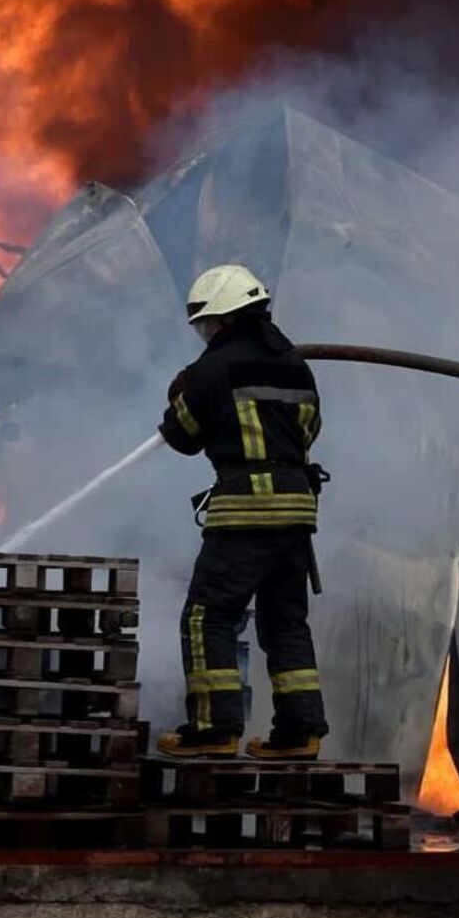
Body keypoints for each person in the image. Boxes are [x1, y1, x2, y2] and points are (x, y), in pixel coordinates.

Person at [156, 264, 328, 760]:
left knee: (207, 615)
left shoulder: (213, 369)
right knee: (285, 623)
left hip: (244, 514)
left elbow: (180, 437)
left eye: (207, 325)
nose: (205, 334)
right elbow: (309, 431)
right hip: (296, 512)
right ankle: (300, 732)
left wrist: (180, 392)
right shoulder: (297, 366)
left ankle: (213, 728)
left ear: (227, 319)